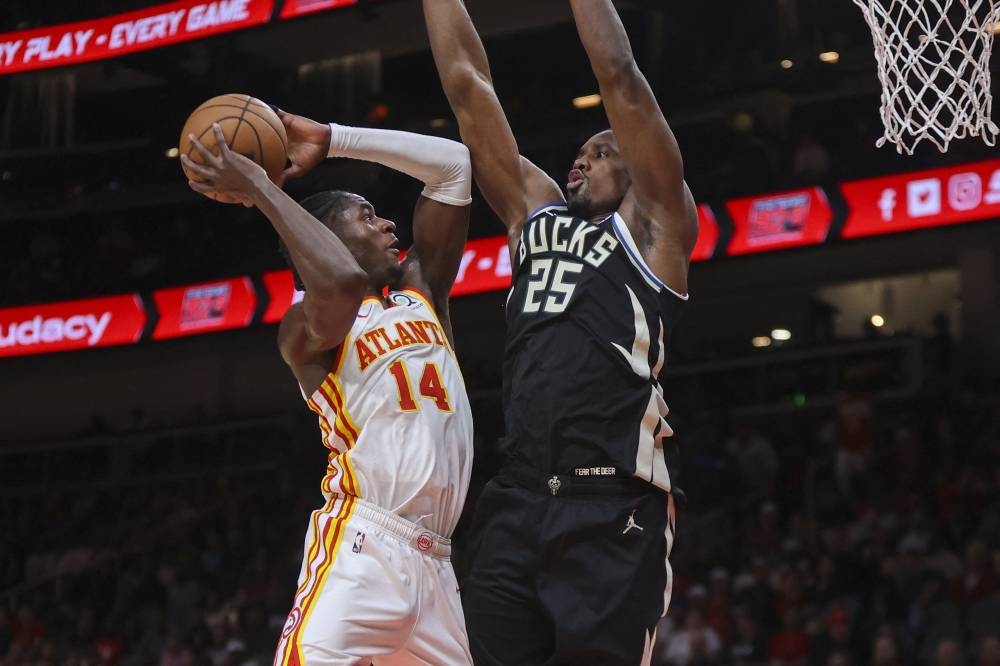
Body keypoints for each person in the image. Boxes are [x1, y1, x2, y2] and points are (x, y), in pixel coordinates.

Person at [422, 0, 699, 663]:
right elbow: (468, 86)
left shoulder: (655, 227)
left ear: (636, 166)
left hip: (612, 503)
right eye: (578, 154)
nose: (582, 161)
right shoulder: (532, 216)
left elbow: (620, 75)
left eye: (601, 152)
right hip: (516, 498)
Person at [181, 116, 474, 665]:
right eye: (367, 216)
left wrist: (335, 139)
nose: (390, 223)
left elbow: (454, 166)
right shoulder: (305, 329)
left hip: (438, 564)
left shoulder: (421, 292)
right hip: (365, 546)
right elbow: (339, 282)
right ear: (329, 237)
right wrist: (263, 189)